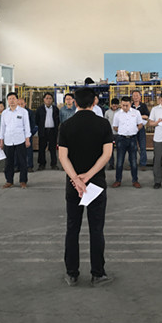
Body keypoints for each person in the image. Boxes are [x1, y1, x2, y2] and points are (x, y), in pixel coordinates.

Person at [58, 87, 114, 287]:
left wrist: (76, 179)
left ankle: (72, 273)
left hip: (74, 186)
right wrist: (88, 176)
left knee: (72, 228)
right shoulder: (103, 124)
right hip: (96, 184)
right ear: (95, 102)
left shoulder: (66, 125)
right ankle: (97, 273)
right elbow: (107, 154)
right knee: (96, 229)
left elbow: (63, 157)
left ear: (75, 102)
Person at [0, 92, 31, 188]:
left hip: (20, 139)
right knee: (9, 162)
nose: (12, 101)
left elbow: (27, 126)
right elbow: (2, 128)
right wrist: (1, 141)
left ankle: (23, 181)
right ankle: (9, 181)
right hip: (8, 140)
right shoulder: (4, 113)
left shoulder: (23, 112)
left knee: (22, 161)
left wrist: (27, 139)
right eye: (9, 99)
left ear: (17, 100)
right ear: (7, 101)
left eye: (13, 98)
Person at [112, 96, 144, 188]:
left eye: (127, 105)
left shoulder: (136, 113)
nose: (125, 107)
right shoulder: (117, 114)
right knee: (119, 161)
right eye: (123, 105)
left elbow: (140, 124)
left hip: (132, 139)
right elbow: (115, 127)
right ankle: (118, 180)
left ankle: (135, 180)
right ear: (120, 104)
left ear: (131, 104)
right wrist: (122, 131)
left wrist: (134, 130)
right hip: (121, 139)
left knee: (133, 161)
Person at [36, 92, 60, 171]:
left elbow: (58, 120)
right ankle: (42, 164)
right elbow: (37, 120)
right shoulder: (40, 109)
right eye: (47, 98)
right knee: (41, 148)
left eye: (50, 98)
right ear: (44, 99)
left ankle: (54, 164)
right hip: (43, 131)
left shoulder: (55, 109)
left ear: (52, 100)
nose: (48, 100)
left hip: (53, 131)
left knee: (53, 149)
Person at [18, 98, 38, 173]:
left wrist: (29, 133)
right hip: (18, 135)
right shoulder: (14, 112)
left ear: (25, 104)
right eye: (18, 104)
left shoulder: (29, 112)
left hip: (27, 134)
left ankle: (29, 166)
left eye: (22, 104)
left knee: (28, 151)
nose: (20, 105)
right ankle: (17, 166)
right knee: (18, 151)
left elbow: (33, 124)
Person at [131, 90, 149, 170]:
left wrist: (137, 116)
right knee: (132, 147)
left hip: (141, 128)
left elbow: (147, 116)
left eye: (137, 95)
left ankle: (143, 163)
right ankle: (133, 163)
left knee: (142, 146)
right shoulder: (130, 106)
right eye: (134, 96)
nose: (136, 97)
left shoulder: (143, 106)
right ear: (132, 97)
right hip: (132, 128)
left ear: (140, 97)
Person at [104, 98, 120, 170]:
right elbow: (105, 122)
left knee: (120, 150)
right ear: (111, 104)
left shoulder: (120, 112)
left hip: (119, 134)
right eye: (113, 104)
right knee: (110, 150)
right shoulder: (107, 112)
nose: (114, 106)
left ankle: (119, 164)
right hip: (110, 134)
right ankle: (111, 164)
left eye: (116, 105)